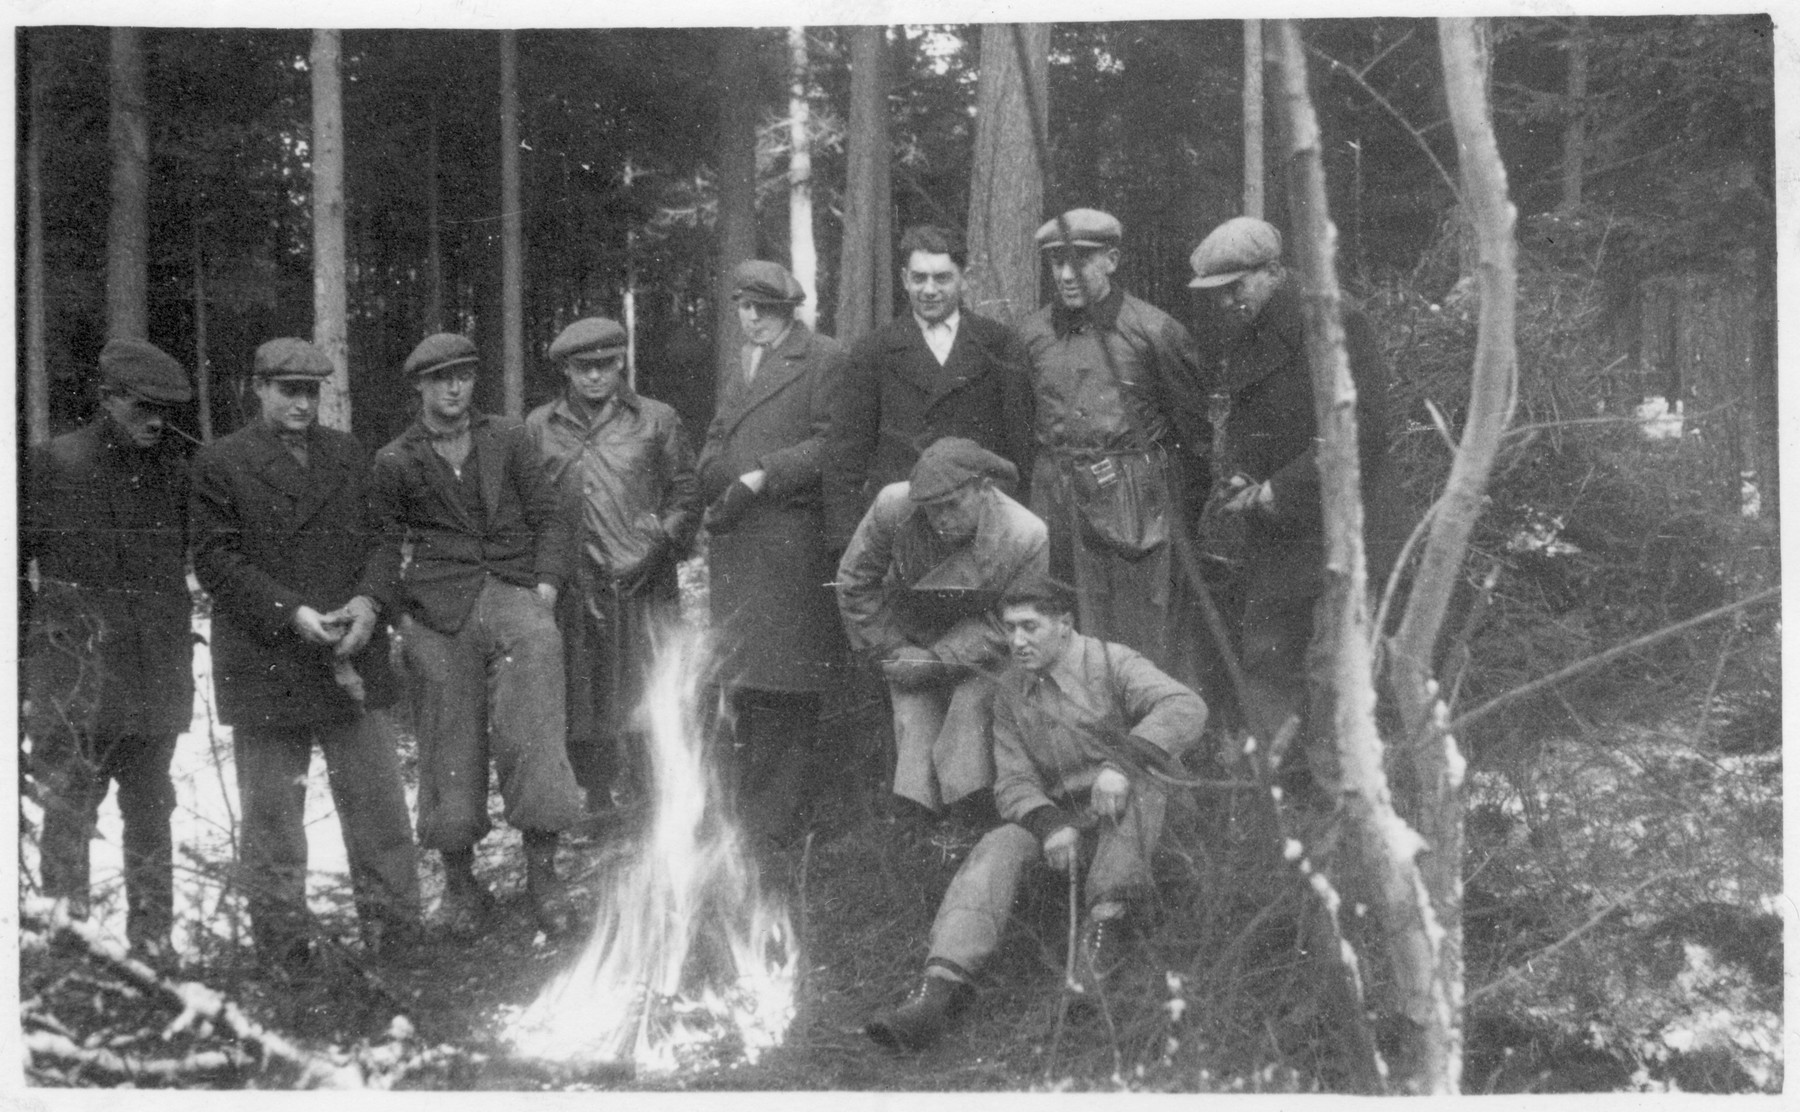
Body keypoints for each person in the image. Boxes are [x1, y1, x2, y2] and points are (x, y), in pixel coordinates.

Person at [864, 577, 1208, 1050]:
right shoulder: (1011, 690)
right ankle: (937, 990)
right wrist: (1049, 826)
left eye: (1031, 627)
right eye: (1010, 629)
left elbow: (1184, 705)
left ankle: (1098, 959)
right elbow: (1014, 782)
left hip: (1143, 814)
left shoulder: (1111, 661)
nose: (1017, 641)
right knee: (999, 844)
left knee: (1143, 793)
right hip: (1070, 821)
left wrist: (1122, 765)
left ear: (1064, 626)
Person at [190, 338, 421, 964]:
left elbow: (383, 539)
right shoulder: (221, 462)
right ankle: (284, 955)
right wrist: (291, 613)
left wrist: (370, 604)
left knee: (378, 812)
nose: (301, 403)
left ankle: (398, 940)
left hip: (352, 650)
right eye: (288, 390)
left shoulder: (350, 455)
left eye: (311, 392)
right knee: (272, 825)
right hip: (270, 660)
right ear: (258, 389)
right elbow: (214, 559)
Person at [364, 333, 587, 936]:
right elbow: (385, 542)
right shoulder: (395, 460)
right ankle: (461, 885)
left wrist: (544, 587)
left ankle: (544, 874)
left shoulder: (510, 437)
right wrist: (398, 616)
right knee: (448, 743)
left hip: (515, 593)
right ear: (420, 387)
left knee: (535, 727)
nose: (453, 388)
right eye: (440, 379)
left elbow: (549, 514)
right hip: (438, 609)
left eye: (462, 376)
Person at [1187, 216, 1398, 790]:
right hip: (1278, 539)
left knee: (1336, 675)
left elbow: (1366, 429)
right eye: (1219, 294)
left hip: (1341, 532)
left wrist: (1281, 488)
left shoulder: (1336, 321)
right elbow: (1255, 427)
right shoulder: (1247, 334)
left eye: (1238, 287)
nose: (1229, 302)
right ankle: (1270, 808)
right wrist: (1243, 477)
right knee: (1265, 659)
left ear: (1275, 271)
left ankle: (1347, 813)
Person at [22, 339, 196, 962]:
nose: (157, 421)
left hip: (154, 679)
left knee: (152, 816)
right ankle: (70, 958)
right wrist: (29, 662)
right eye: (143, 407)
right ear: (108, 398)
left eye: (166, 410)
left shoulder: (178, 473)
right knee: (68, 816)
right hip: (73, 682)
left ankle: (154, 952)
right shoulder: (53, 465)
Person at [1018, 208, 1213, 693]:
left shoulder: (1154, 332)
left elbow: (1194, 438)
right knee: (1057, 626)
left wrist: (1171, 508)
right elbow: (1019, 428)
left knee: (1138, 636)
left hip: (1135, 505)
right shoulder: (1033, 336)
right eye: (1055, 263)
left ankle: (1152, 750)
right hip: (1054, 501)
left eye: (1079, 261)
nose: (1065, 275)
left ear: (1112, 259)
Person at [698, 260, 848, 843]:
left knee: (789, 683)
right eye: (743, 306)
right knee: (748, 683)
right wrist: (712, 474)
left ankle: (775, 824)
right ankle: (752, 819)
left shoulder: (824, 358)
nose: (752, 318)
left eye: (764, 308)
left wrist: (761, 476)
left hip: (790, 541)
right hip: (737, 541)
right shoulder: (743, 362)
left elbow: (833, 443)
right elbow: (719, 435)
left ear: (791, 310)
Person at [527, 317, 700, 813]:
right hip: (574, 581)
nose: (595, 377)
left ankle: (653, 796)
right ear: (566, 370)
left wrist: (662, 541)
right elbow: (528, 502)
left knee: (649, 687)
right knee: (582, 692)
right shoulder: (541, 426)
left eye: (605, 365)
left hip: (643, 578)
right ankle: (596, 795)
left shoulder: (656, 418)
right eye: (584, 368)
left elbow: (687, 494)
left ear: (621, 361)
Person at [835, 437, 1048, 822]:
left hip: (982, 647)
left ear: (984, 489)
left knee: (970, 709)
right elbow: (854, 582)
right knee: (914, 716)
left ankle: (969, 809)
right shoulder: (893, 506)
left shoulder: (1025, 534)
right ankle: (916, 814)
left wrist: (938, 660)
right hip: (907, 634)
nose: (942, 520)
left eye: (953, 505)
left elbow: (1011, 621)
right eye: (932, 511)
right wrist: (891, 649)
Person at [823, 224, 1036, 550]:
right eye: (919, 278)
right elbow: (845, 458)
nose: (930, 289)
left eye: (942, 278)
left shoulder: (999, 344)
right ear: (904, 279)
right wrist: (848, 543)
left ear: (964, 277)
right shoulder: (874, 351)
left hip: (980, 527)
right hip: (903, 527)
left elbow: (1021, 450)